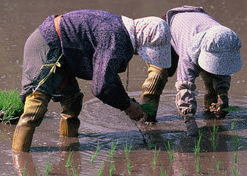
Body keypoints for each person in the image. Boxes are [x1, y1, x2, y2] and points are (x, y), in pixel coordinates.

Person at [12, 9, 171, 152]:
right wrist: (128, 106)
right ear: (145, 41)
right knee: (35, 107)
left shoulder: (121, 31)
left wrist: (126, 101)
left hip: (65, 51)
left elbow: (108, 76)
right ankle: (19, 158)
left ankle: (68, 151)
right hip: (47, 43)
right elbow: (101, 87)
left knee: (72, 103)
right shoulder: (118, 39)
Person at [140, 5, 242, 136]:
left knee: (211, 78)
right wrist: (189, 118)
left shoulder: (225, 40)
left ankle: (211, 118)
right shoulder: (189, 52)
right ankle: (145, 121)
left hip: (194, 29)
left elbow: (222, 69)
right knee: (157, 77)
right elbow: (185, 86)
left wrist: (222, 94)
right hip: (165, 29)